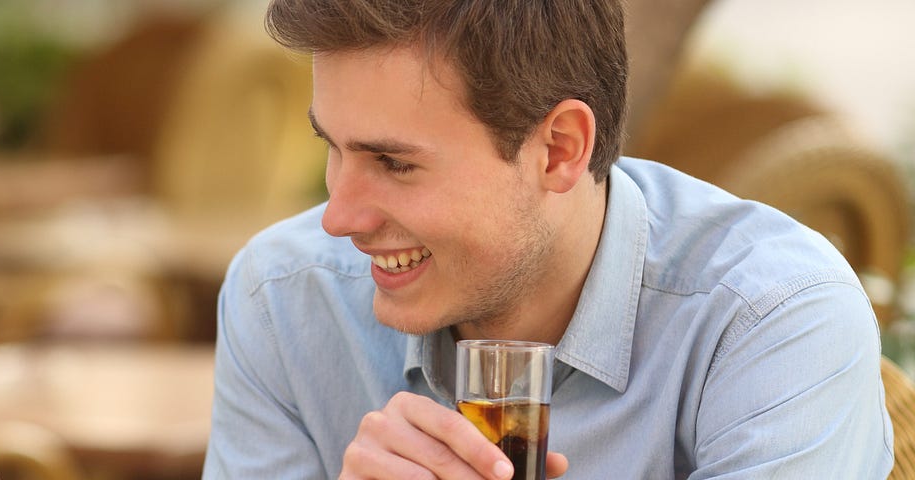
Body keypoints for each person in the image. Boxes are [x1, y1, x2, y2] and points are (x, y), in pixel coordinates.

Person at [205, 0, 893, 478]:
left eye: (393, 163)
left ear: (560, 150)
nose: (338, 217)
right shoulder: (284, 298)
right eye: (333, 147)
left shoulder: (772, 319)